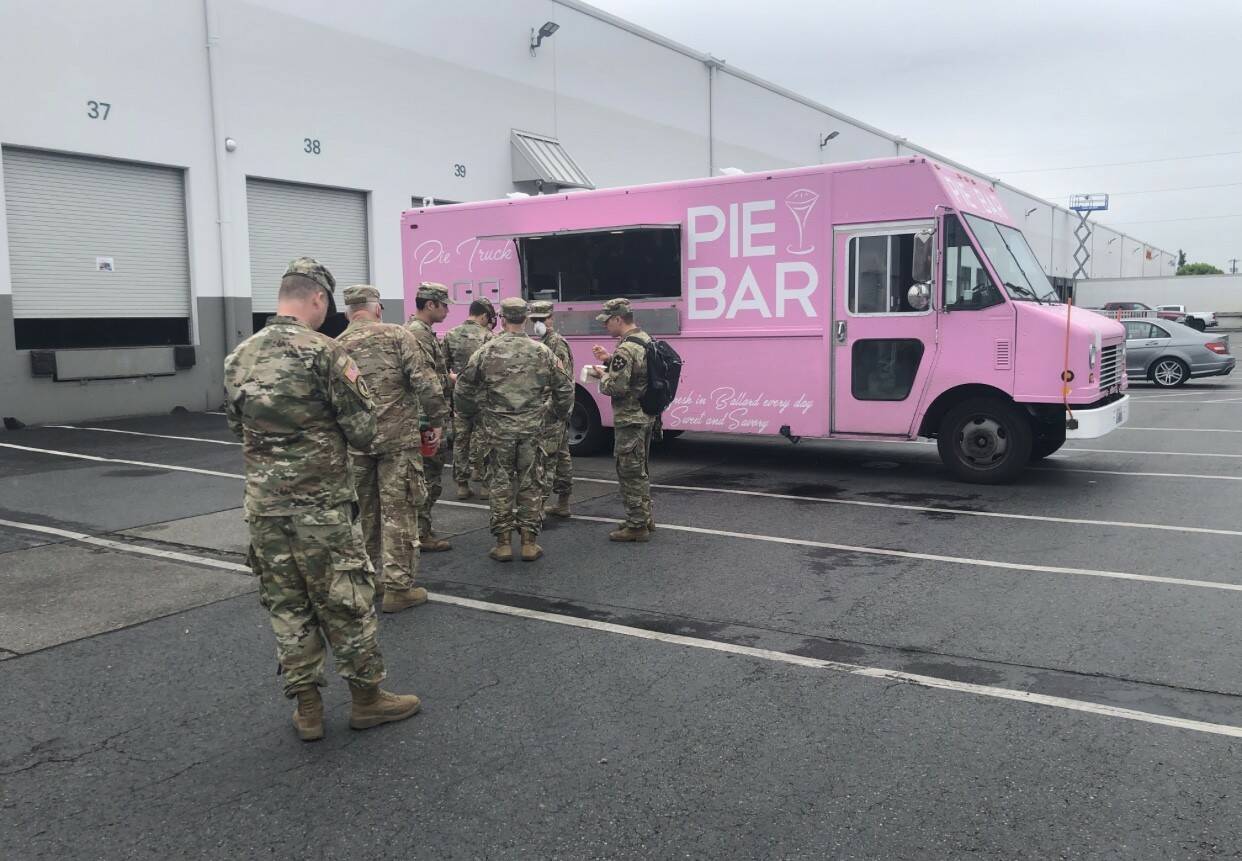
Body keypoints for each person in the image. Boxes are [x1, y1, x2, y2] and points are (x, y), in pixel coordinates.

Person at [224, 258, 420, 742]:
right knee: (346, 600)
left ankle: (308, 709)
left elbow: (236, 426)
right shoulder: (326, 353)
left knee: (287, 605)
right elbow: (363, 430)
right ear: (317, 298)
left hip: (265, 510)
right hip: (322, 508)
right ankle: (367, 699)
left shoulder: (239, 357)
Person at [337, 285, 449, 614]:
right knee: (399, 513)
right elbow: (425, 383)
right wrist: (437, 421)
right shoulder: (398, 336)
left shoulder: (335, 345)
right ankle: (398, 588)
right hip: (398, 442)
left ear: (348, 312)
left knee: (364, 514)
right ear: (378, 308)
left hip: (356, 444)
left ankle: (369, 580)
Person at [455, 297, 573, 562]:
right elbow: (565, 389)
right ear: (526, 318)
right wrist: (554, 413)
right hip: (532, 429)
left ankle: (503, 543)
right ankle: (529, 543)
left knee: (500, 483)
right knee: (531, 483)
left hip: (497, 430)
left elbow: (462, 390)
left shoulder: (486, 351)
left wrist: (475, 414)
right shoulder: (542, 352)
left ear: (503, 318)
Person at [590, 297, 656, 542]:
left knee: (629, 472)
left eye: (607, 321)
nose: (605, 325)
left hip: (630, 418)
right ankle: (645, 517)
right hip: (646, 415)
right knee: (641, 470)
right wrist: (609, 361)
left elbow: (616, 387)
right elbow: (638, 373)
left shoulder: (626, 348)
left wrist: (602, 376)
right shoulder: (645, 339)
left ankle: (637, 525)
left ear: (618, 319)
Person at [406, 282, 454, 552]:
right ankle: (421, 533)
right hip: (425, 416)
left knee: (425, 474)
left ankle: (420, 528)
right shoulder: (419, 334)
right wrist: (436, 421)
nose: (447, 310)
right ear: (429, 305)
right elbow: (425, 379)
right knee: (429, 475)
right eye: (443, 305)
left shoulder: (418, 331)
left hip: (422, 413)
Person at [443, 297, 496, 501]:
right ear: (483, 316)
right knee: (486, 439)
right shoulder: (489, 337)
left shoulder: (451, 334)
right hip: (483, 396)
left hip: (461, 395)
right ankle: (485, 485)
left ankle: (462, 486)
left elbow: (442, 366)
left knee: (461, 440)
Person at [528, 300, 574, 518]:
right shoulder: (546, 342)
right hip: (556, 409)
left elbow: (561, 381)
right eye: (535, 319)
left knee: (547, 458)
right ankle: (563, 504)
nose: (538, 323)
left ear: (551, 319)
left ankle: (540, 507)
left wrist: (554, 409)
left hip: (552, 409)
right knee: (562, 456)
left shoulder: (555, 343)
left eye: (542, 319)